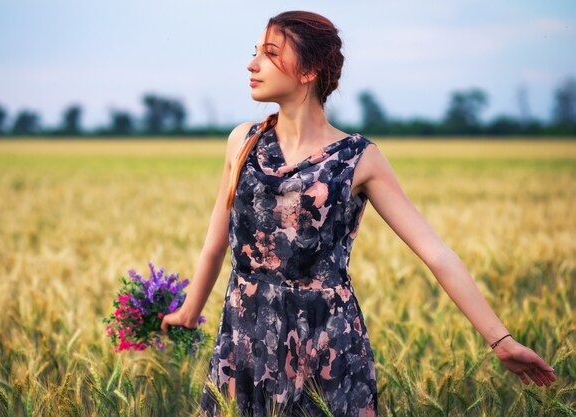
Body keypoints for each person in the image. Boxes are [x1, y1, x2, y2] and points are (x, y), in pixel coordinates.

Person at [160, 10, 557, 417]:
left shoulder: (358, 159)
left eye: (270, 53)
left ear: (309, 70)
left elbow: (436, 253)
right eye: (255, 51)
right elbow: (215, 244)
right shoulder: (242, 141)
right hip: (243, 340)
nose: (252, 63)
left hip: (326, 348)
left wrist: (500, 340)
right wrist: (190, 311)